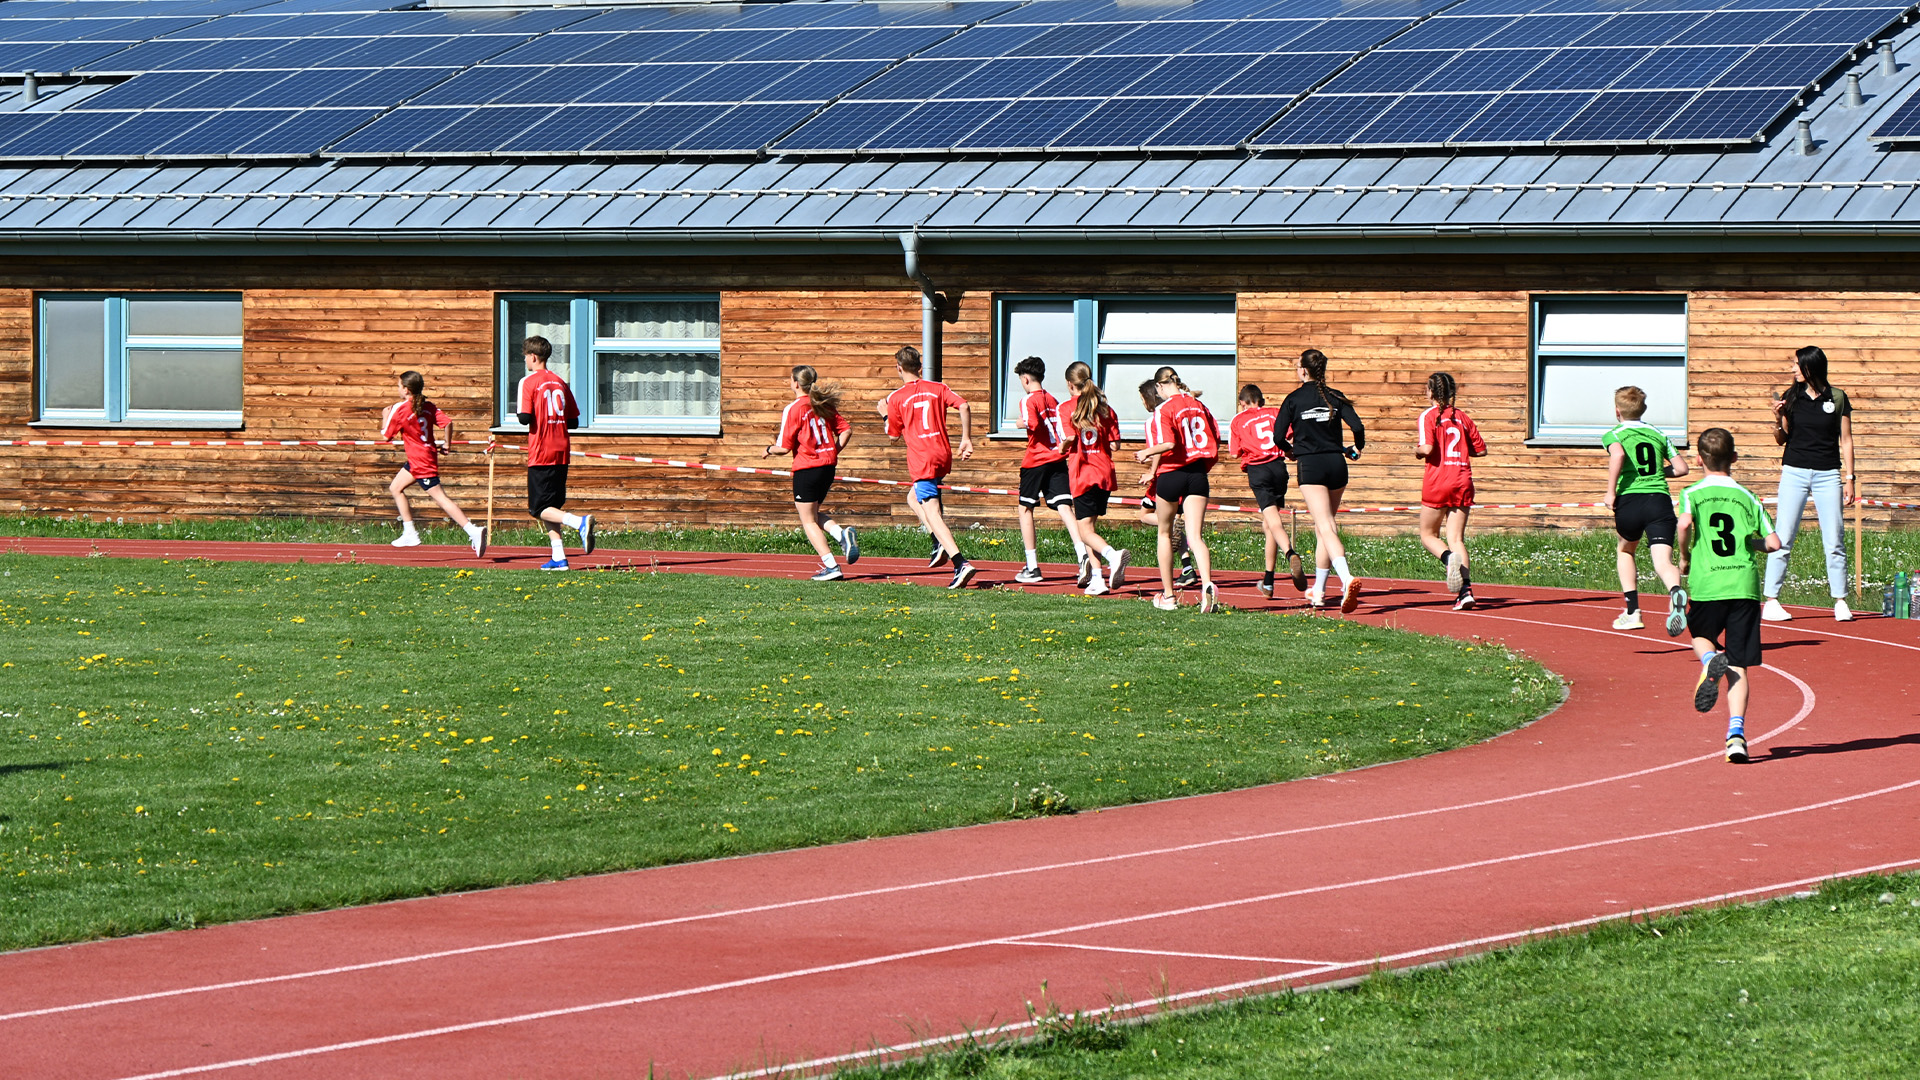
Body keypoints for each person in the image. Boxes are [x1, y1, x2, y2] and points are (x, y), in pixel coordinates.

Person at [1676, 427, 1781, 764]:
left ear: (1698, 460)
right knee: (1740, 663)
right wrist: (1749, 543)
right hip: (1744, 585)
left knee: (1701, 636)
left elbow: (1683, 525)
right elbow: (1773, 543)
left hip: (1709, 583)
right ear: (1734, 458)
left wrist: (1685, 557)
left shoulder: (1691, 493)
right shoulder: (1749, 497)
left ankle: (1708, 661)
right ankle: (1736, 735)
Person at [1763, 346, 1857, 623]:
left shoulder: (1837, 397)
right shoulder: (1790, 397)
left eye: (1796, 364)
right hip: (1794, 472)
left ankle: (1840, 601)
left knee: (1835, 538)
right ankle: (1772, 600)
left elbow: (1847, 440)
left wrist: (1849, 478)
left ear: (1810, 367)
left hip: (1829, 474)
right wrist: (1777, 417)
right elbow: (1781, 438)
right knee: (1784, 535)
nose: (1792, 369)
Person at [1274, 349, 1365, 613]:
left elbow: (1277, 436)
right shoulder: (1334, 396)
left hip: (1311, 466)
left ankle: (1346, 578)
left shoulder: (1293, 398)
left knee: (1325, 525)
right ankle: (1320, 592)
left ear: (1303, 370)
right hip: (1337, 465)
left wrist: (1289, 450)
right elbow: (1357, 427)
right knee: (1323, 528)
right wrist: (1357, 447)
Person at [880, 345, 977, 589]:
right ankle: (938, 540)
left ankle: (959, 562)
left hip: (922, 459)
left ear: (898, 368)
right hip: (942, 455)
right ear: (920, 367)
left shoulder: (895, 398)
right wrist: (966, 438)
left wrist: (884, 415)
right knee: (913, 498)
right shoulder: (938, 388)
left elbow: (893, 437)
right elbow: (964, 405)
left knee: (932, 512)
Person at [1601, 385, 1689, 633]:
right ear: (1644, 409)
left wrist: (1611, 491)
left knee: (1626, 550)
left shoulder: (1615, 434)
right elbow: (1682, 469)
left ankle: (1632, 611)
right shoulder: (1658, 434)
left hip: (1630, 500)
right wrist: (1659, 472)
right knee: (1662, 560)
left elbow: (1617, 456)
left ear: (1617, 411)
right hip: (1659, 500)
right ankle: (1675, 592)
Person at [1135, 366, 1219, 612]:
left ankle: (1169, 596)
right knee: (1195, 537)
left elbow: (1168, 443)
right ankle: (1207, 587)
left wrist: (1146, 453)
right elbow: (1214, 437)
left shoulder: (1163, 409)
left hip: (1172, 473)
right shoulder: (1198, 405)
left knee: (1164, 532)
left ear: (1159, 386)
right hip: (1198, 473)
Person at [765, 365, 857, 581]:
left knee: (807, 521)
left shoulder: (794, 408)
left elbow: (784, 447)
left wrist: (768, 450)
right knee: (813, 514)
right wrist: (834, 450)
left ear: (796, 383)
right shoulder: (821, 404)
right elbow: (846, 430)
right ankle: (840, 535)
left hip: (808, 468)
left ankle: (831, 565)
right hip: (828, 467)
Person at [381, 370, 486, 558]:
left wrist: (384, 416)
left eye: (398, 386)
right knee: (395, 487)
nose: (397, 389)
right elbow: (447, 423)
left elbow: (387, 436)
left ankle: (472, 530)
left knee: (441, 498)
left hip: (421, 461)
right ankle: (409, 531)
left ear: (406, 390)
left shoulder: (400, 409)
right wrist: (447, 444)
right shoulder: (428, 406)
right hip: (421, 457)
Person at [516, 336, 592, 571]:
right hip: (561, 450)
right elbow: (574, 421)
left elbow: (524, 418)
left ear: (533, 357)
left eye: (526, 356)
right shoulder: (560, 382)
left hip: (542, 451)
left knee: (538, 509)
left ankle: (578, 522)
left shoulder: (528, 382)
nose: (526, 360)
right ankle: (559, 557)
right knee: (552, 506)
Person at [1414, 372, 1487, 611]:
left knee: (1428, 535)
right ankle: (1465, 591)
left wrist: (1416, 451)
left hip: (1438, 480)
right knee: (1456, 538)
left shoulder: (1429, 415)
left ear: (1432, 392)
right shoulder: (1463, 417)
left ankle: (1448, 559)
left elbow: (1427, 448)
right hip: (1462, 479)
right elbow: (1481, 450)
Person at [1058, 361, 1130, 596]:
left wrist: (1062, 448)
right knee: (1089, 527)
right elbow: (1115, 445)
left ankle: (1113, 555)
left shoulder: (1067, 408)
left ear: (1070, 384)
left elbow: (1068, 440)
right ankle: (1097, 579)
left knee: (1085, 532)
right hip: (1104, 472)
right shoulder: (1105, 409)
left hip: (1083, 473)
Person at [1229, 384, 1306, 600]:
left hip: (1258, 470)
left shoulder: (1238, 420)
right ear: (1261, 400)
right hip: (1278, 467)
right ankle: (1269, 582)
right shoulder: (1274, 413)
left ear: (1242, 403)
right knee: (1269, 525)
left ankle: (1290, 553)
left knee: (1273, 522)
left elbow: (1234, 453)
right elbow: (1289, 433)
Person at [1010, 356, 1082, 584]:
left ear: (1026, 379)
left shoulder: (1028, 399)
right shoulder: (1053, 399)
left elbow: (1031, 423)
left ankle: (1032, 566)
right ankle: (1083, 556)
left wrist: (1019, 423)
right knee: (1064, 506)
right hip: (1058, 458)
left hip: (1036, 460)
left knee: (1025, 508)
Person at [1136, 377, 1197, 586]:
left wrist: (1151, 473)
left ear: (1148, 399)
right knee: (1174, 524)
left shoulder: (1156, 418)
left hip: (1165, 476)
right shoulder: (1177, 411)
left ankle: (1173, 527)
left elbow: (1159, 449)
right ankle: (1187, 567)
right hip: (1186, 473)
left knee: (1146, 516)